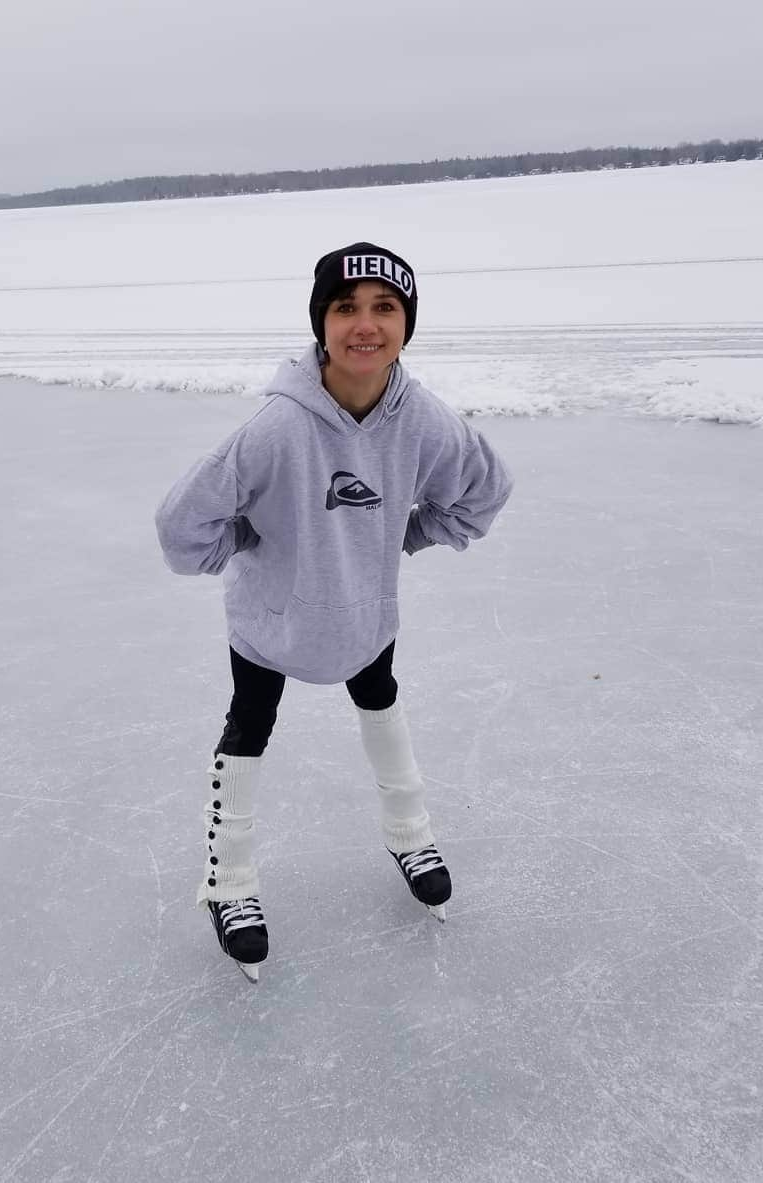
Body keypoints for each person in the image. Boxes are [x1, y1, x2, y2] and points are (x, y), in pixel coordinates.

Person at [155, 242, 513, 981]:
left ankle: (409, 832)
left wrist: (403, 536)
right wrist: (249, 539)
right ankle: (229, 879)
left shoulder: (423, 420)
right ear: (321, 322)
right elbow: (180, 528)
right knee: (250, 723)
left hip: (361, 617)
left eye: (385, 307)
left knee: (381, 699)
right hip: (274, 620)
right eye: (345, 307)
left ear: (406, 323)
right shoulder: (277, 428)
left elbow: (484, 489)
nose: (365, 324)